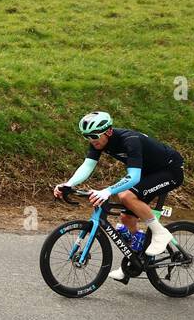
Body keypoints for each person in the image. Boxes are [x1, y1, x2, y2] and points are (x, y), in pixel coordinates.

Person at [54, 111, 181, 279]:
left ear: (108, 131)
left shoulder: (130, 140)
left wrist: (107, 191)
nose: (91, 140)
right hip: (148, 173)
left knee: (126, 196)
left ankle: (160, 233)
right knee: (126, 219)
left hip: (169, 171)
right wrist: (68, 184)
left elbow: (133, 177)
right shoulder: (98, 142)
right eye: (87, 137)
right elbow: (87, 166)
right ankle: (134, 261)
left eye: (94, 135)